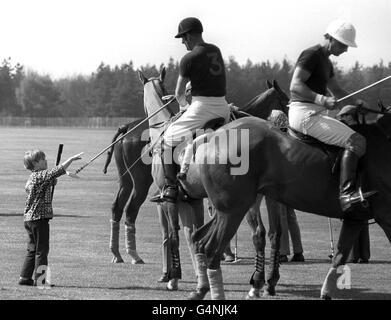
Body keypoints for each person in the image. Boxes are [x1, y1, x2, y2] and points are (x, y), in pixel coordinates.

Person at [288, 19, 375, 214]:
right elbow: (295, 85)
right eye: (343, 44)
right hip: (304, 113)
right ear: (332, 39)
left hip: (314, 111)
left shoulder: (326, 62)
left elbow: (337, 91)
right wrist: (321, 99)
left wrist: (356, 103)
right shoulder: (311, 55)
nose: (345, 50)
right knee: (357, 141)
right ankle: (346, 195)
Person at [150, 17, 229, 203]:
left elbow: (179, 93)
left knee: (166, 141)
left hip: (202, 108)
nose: (183, 42)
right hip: (223, 108)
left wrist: (184, 107)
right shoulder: (215, 50)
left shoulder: (188, 58)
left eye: (183, 38)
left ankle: (170, 188)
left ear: (190, 35)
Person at [19, 149, 82, 286]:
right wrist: (71, 159)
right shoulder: (41, 175)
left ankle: (24, 278)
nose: (46, 160)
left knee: (33, 249)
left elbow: (47, 182)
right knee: (42, 250)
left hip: (29, 219)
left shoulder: (34, 177)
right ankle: (41, 281)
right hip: (39, 219)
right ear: (35, 164)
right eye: (43, 159)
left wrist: (52, 181)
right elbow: (57, 170)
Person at [267, 110, 305, 263]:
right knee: (290, 218)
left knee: (278, 218)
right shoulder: (292, 137)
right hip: (291, 183)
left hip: (275, 183)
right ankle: (298, 251)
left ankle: (282, 252)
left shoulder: (275, 140)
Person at [337, 105, 370, 263]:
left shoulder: (351, 133)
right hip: (361, 178)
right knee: (362, 218)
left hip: (354, 179)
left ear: (350, 117)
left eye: (343, 117)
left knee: (351, 215)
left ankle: (352, 254)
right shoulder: (362, 130)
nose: (341, 120)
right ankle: (363, 254)